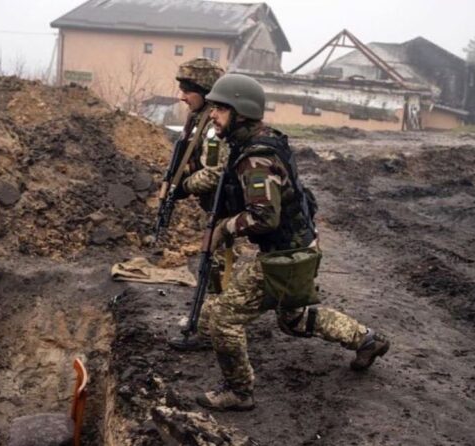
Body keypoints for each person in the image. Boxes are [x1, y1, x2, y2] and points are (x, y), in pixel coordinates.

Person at [195, 73, 391, 411]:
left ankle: (239, 392)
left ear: (240, 111)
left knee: (224, 319)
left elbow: (263, 217)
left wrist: (224, 228)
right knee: (294, 318)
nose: (212, 115)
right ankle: (367, 340)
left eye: (220, 109)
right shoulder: (261, 140)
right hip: (300, 244)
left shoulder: (255, 159)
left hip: (286, 252)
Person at [166, 58, 228, 351]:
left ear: (205, 90)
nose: (182, 96)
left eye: (188, 89)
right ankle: (207, 325)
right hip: (220, 211)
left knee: (219, 270)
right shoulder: (199, 121)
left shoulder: (214, 128)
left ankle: (210, 329)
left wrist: (183, 186)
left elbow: (215, 174)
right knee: (214, 269)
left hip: (229, 212)